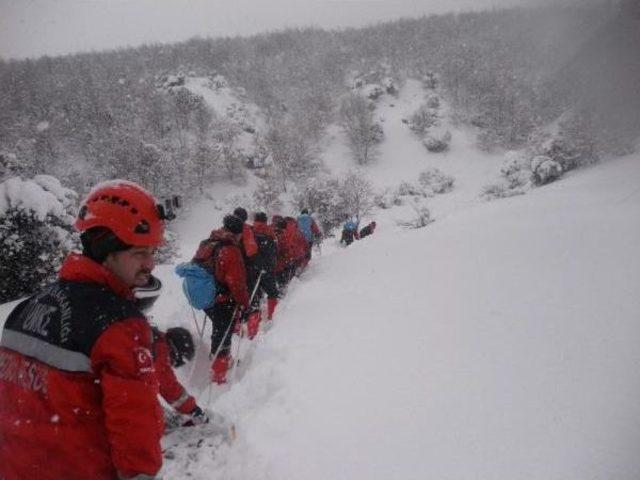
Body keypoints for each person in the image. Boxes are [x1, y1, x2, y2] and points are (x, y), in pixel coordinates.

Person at [0, 180, 165, 480]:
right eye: (140, 253)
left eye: (152, 252)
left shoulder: (28, 308)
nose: (151, 264)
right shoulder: (122, 327)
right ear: (107, 251)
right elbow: (135, 427)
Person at [132, 277, 208, 425]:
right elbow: (169, 387)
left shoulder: (153, 335)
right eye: (175, 361)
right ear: (175, 351)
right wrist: (193, 410)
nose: (171, 364)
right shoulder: (159, 349)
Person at [196, 214, 249, 385]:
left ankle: (221, 361)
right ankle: (219, 375)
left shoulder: (207, 243)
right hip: (222, 298)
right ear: (238, 233)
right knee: (223, 335)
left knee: (219, 330)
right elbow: (237, 282)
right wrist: (244, 303)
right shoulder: (230, 249)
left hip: (206, 295)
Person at [251, 212, 279, 326]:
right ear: (265, 220)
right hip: (267, 269)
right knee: (272, 293)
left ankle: (253, 327)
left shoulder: (250, 231)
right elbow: (275, 250)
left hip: (252, 269)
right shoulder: (270, 232)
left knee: (254, 297)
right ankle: (272, 317)